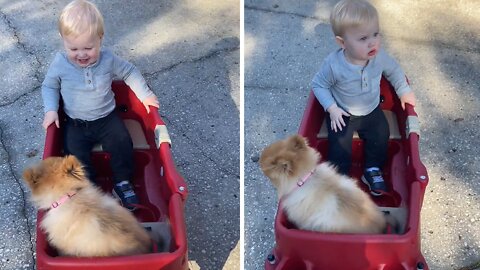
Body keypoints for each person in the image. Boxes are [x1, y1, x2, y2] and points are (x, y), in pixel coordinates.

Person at [41, 0, 159, 210]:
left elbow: (129, 71)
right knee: (73, 156)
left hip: (107, 117)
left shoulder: (108, 59)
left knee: (122, 143)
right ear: (63, 41)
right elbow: (49, 86)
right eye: (73, 48)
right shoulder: (60, 63)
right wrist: (50, 110)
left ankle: (122, 182)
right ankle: (89, 188)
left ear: (100, 39)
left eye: (89, 47)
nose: (82, 54)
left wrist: (145, 94)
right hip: (76, 122)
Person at [311, 0, 416, 196]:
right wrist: (332, 108)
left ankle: (372, 169)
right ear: (342, 43)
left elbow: (394, 71)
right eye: (363, 38)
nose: (372, 42)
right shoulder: (334, 65)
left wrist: (403, 91)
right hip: (342, 113)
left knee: (381, 135)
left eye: (376, 34)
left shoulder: (379, 57)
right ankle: (339, 177)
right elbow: (318, 85)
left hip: (371, 110)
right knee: (339, 147)